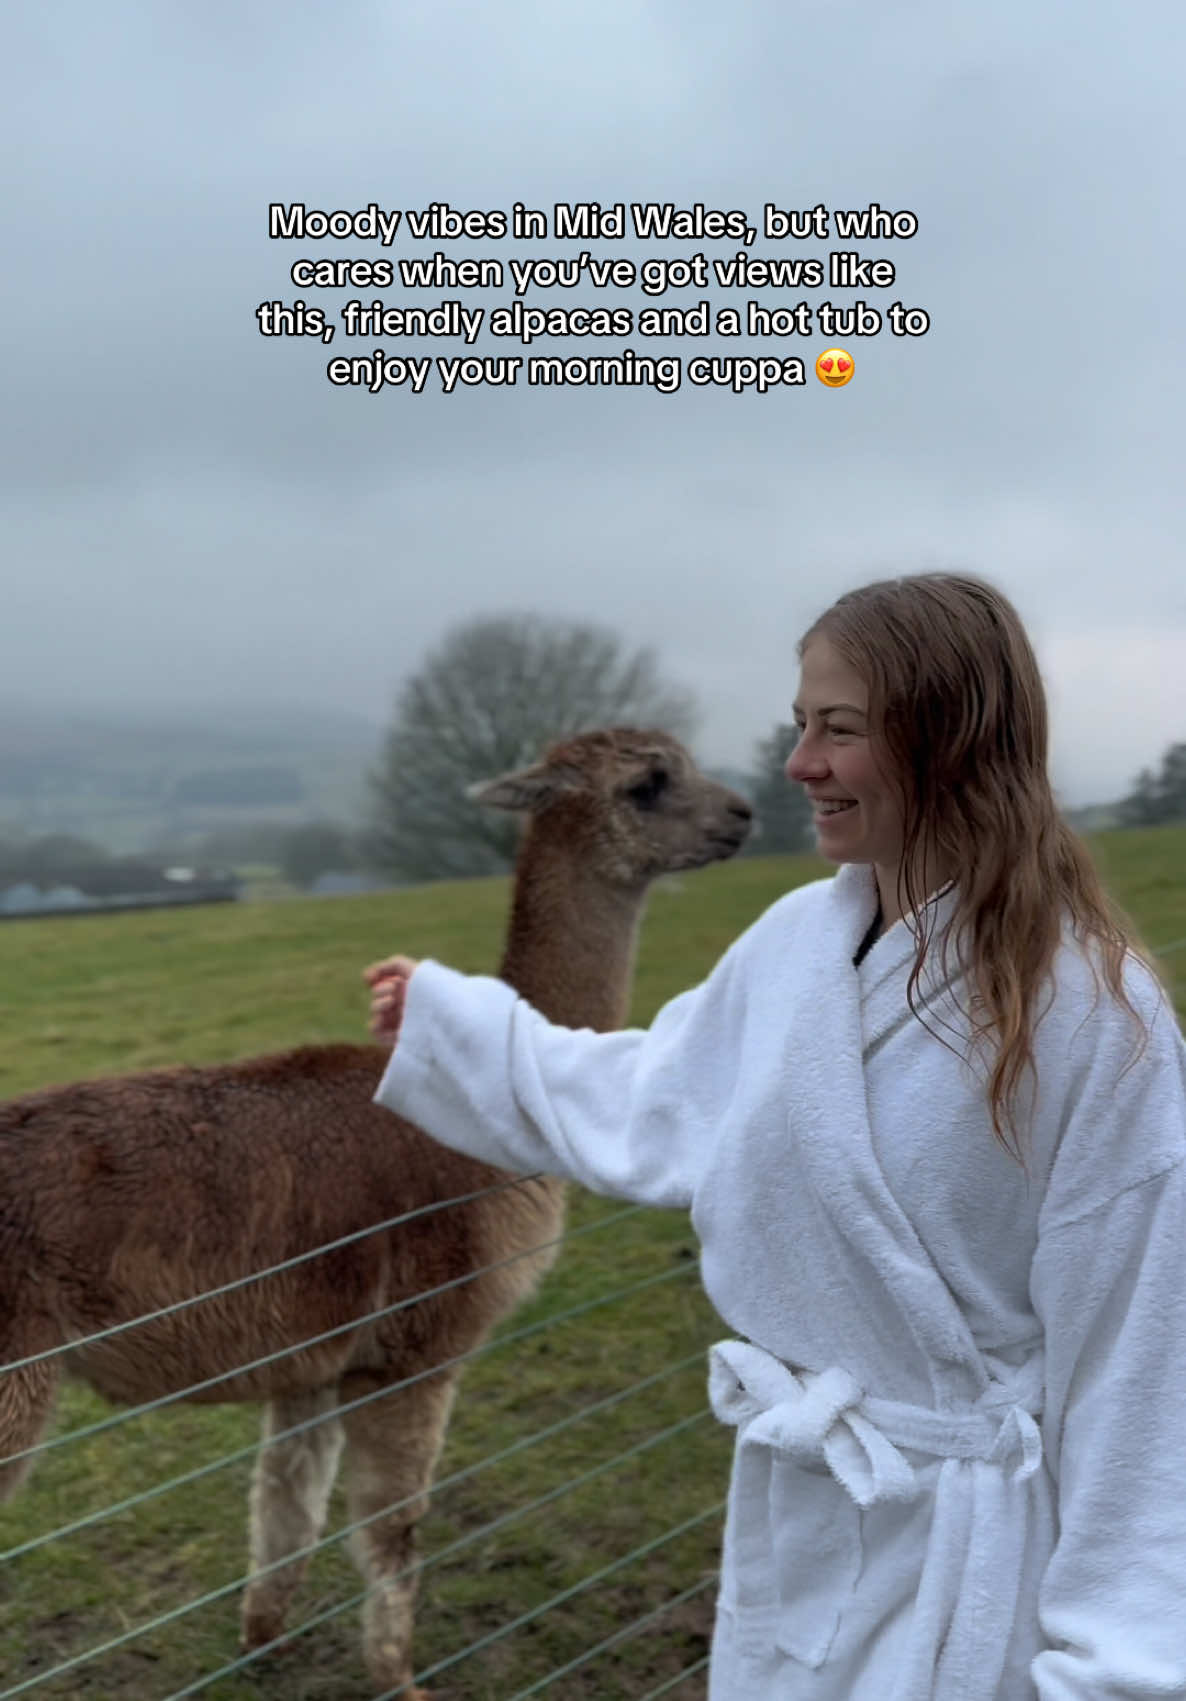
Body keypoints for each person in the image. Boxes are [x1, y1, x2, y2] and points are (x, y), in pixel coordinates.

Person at [364, 573, 1186, 1701]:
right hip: (807, 1522)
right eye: (802, 724)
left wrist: (1116, 1668)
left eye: (837, 730)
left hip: (981, 1562)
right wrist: (465, 1035)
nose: (796, 763)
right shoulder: (798, 942)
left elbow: (1140, 1367)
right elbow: (663, 1092)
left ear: (951, 741)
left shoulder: (1091, 1014)